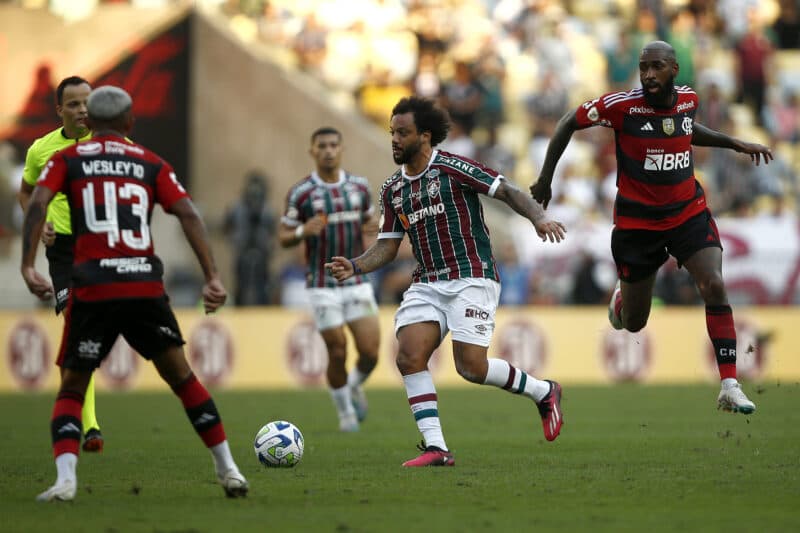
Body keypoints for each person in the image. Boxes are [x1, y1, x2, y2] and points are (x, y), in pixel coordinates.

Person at [20, 86, 248, 501]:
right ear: (129, 123)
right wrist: (212, 276)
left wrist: (28, 264)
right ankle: (229, 470)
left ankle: (66, 481)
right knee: (183, 378)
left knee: (73, 386)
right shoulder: (149, 161)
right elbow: (188, 213)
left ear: (89, 120)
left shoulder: (66, 159)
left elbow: (37, 203)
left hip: (93, 286)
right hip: (142, 283)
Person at [530, 41, 773, 414]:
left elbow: (686, 129)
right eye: (644, 67)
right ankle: (622, 300)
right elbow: (567, 122)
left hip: (686, 213)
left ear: (674, 69)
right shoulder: (621, 106)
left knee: (714, 284)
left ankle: (729, 383)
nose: (648, 75)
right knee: (633, 323)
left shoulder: (688, 100)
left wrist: (734, 144)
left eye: (656, 67)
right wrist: (546, 179)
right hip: (637, 225)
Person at [326, 96, 567, 467]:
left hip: (471, 275)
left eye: (402, 133)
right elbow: (388, 247)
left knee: (471, 367)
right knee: (409, 355)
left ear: (425, 136)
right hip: (426, 283)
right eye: (392, 132)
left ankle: (543, 390)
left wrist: (538, 217)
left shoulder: (454, 167)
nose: (394, 139)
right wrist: (355, 266)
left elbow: (507, 190)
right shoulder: (392, 189)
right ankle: (437, 447)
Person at [17, 76, 104, 452]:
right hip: (64, 252)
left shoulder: (110, 142)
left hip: (104, 244)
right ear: (59, 110)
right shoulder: (41, 150)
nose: (82, 110)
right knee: (77, 324)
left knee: (95, 331)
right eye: (74, 104)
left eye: (87, 102)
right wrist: (41, 222)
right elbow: (26, 194)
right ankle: (91, 427)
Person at [278, 127, 380, 432]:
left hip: (357, 279)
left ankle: (352, 386)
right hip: (321, 283)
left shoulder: (360, 188)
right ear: (312, 150)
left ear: (342, 148)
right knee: (337, 349)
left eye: (334, 145)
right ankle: (346, 415)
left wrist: (374, 228)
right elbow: (283, 236)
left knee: (371, 353)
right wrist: (300, 232)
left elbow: (370, 222)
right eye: (322, 145)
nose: (328, 150)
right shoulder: (301, 193)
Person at [223, 170, 277, 306]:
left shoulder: (268, 210)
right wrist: (233, 241)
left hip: (262, 253)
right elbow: (227, 227)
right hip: (242, 251)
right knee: (240, 286)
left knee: (263, 287)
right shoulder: (236, 208)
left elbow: (273, 231)